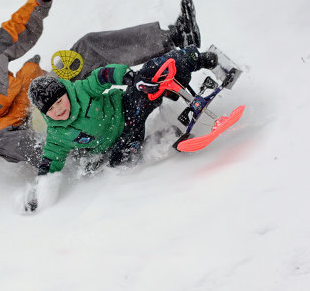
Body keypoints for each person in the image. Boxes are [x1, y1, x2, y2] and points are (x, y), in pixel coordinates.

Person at [0, 0, 201, 210]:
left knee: (86, 47)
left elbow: (14, 30)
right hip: (17, 131)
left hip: (40, 96)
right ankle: (85, 151)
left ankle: (173, 38)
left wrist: (41, 0)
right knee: (1, 142)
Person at [24, 43, 218, 212]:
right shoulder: (57, 134)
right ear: (43, 113)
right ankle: (168, 137)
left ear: (65, 92)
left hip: (128, 109)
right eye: (50, 109)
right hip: (123, 140)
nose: (58, 110)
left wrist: (130, 78)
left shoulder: (81, 91)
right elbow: (50, 162)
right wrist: (39, 193)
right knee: (122, 162)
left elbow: (103, 76)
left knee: (149, 74)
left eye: (59, 101)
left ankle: (191, 58)